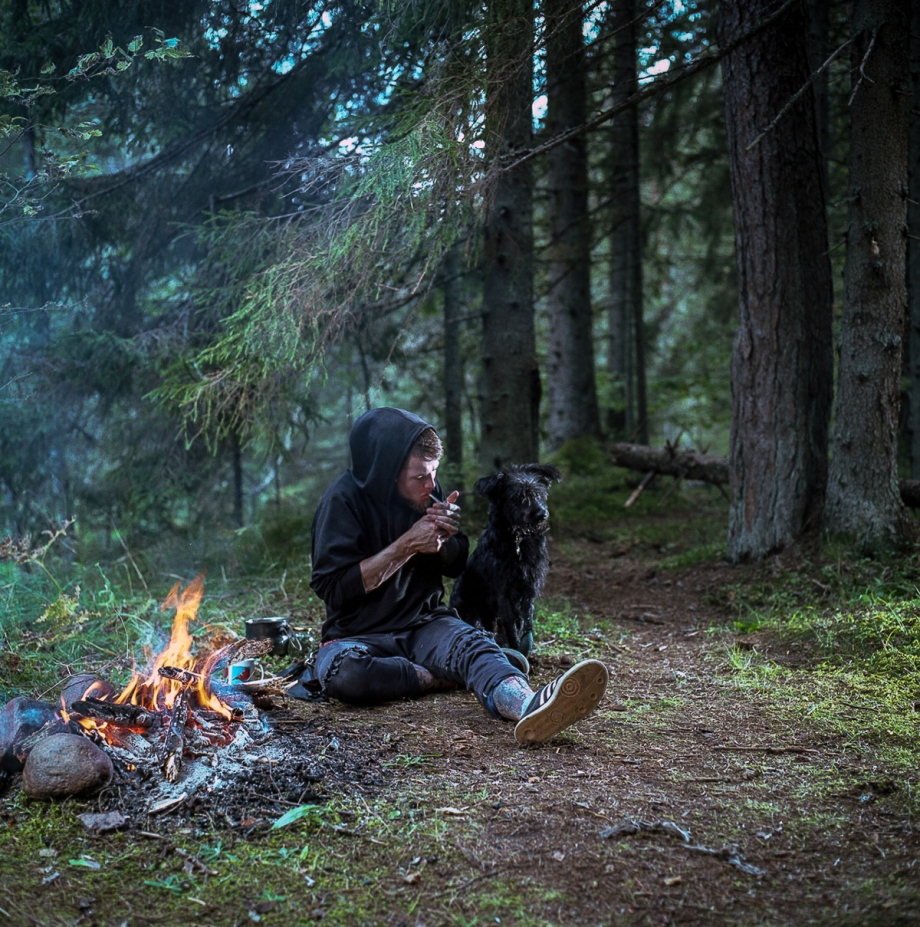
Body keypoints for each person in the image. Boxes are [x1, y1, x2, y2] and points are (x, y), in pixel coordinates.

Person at [308, 407, 608, 745]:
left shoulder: (426, 494)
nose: (431, 485)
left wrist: (444, 540)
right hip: (357, 635)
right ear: (385, 472)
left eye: (434, 473)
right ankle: (444, 674)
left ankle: (531, 705)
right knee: (345, 675)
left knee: (474, 645)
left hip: (424, 624)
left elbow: (456, 564)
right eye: (419, 477)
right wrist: (407, 545)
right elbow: (333, 589)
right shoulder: (342, 502)